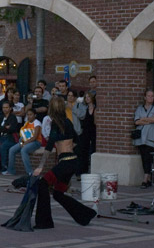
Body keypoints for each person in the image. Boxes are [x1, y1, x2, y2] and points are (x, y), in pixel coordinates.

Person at [29, 97, 97, 229]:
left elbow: (49, 145)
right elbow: (77, 141)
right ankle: (85, 214)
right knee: (58, 194)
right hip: (72, 161)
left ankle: (45, 222)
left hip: (65, 162)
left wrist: (40, 167)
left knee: (43, 184)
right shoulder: (68, 122)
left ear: (52, 109)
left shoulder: (55, 123)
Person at [133, 89, 154, 188]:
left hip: (151, 137)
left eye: (152, 96)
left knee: (149, 157)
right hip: (141, 138)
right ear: (145, 97)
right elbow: (136, 121)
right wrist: (148, 120)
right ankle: (148, 178)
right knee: (144, 157)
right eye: (149, 96)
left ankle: (145, 179)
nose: (150, 98)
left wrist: (143, 119)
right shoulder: (139, 108)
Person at [5, 108, 42, 175]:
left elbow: (35, 137)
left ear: (35, 115)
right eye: (28, 115)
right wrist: (22, 142)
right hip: (26, 141)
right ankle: (11, 171)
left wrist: (24, 143)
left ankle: (29, 172)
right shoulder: (26, 123)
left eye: (31, 114)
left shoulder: (37, 123)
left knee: (24, 150)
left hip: (36, 142)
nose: (29, 116)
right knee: (12, 150)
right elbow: (23, 135)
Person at [0, 102, 19, 173]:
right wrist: (5, 127)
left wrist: (3, 128)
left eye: (6, 107)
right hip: (1, 136)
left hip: (10, 138)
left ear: (10, 108)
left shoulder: (13, 117)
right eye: (3, 108)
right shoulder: (1, 117)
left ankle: (4, 167)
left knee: (3, 147)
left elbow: (12, 129)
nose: (5, 109)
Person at [78, 91, 96, 175]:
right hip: (85, 131)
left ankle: (93, 169)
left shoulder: (96, 108)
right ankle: (83, 170)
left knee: (93, 149)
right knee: (84, 150)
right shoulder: (84, 109)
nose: (87, 98)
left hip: (94, 131)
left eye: (89, 96)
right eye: (86, 97)